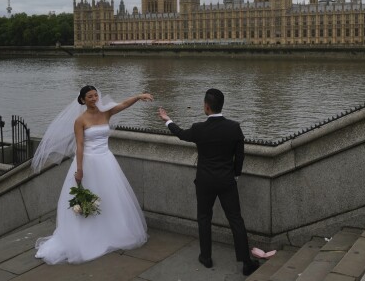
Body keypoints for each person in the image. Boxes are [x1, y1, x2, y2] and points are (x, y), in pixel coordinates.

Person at [32, 85, 153, 264]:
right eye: (90, 96)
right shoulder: (80, 120)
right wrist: (79, 170)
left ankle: (110, 231)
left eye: (96, 95)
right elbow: (80, 146)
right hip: (88, 163)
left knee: (109, 197)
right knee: (87, 199)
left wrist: (139, 96)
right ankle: (87, 234)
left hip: (106, 161)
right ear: (82, 100)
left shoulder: (106, 113)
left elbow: (124, 104)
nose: (95, 98)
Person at [158, 88, 260, 276]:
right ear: (222, 105)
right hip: (227, 180)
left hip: (204, 180)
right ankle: (246, 262)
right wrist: (235, 174)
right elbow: (240, 156)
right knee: (236, 219)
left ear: (206, 106)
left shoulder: (199, 129)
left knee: (204, 218)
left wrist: (168, 120)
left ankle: (206, 257)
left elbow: (181, 134)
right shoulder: (234, 127)